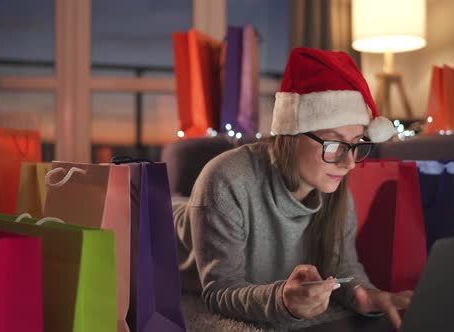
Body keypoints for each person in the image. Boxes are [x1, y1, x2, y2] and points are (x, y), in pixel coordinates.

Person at [173, 47, 412, 330]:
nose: (349, 163)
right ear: (292, 135)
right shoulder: (225, 180)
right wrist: (282, 302)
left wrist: (366, 296)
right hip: (160, 225)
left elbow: (343, 266)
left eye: (357, 144)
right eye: (334, 143)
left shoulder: (333, 184)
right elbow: (219, 290)